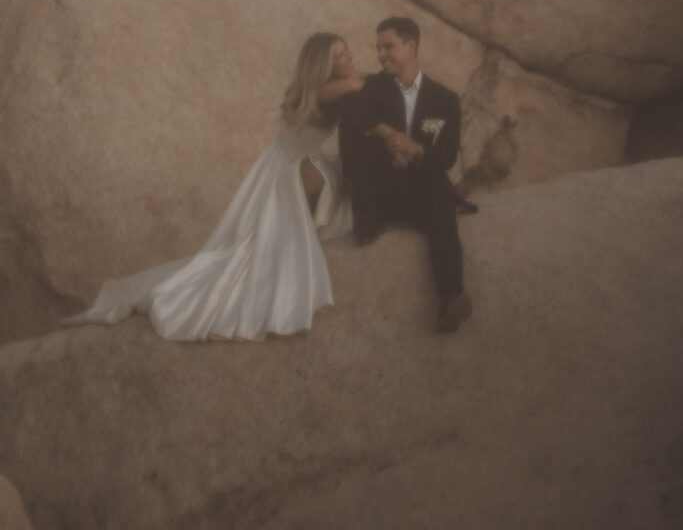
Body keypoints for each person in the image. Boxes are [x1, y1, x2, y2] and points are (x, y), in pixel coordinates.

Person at [63, 34, 359, 342]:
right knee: (248, 250)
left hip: (281, 163)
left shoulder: (315, 89)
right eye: (339, 55)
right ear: (322, 66)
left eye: (346, 50)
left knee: (261, 233)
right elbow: (353, 86)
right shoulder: (322, 90)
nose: (349, 57)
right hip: (285, 168)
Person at [339, 17, 472, 333]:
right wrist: (387, 135)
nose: (382, 55)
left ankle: (452, 297)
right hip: (380, 189)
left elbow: (447, 155)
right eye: (378, 48)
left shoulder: (445, 99)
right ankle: (367, 217)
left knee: (441, 204)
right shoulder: (371, 87)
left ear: (411, 46)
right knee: (353, 127)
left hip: (421, 189)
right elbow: (353, 115)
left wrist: (416, 150)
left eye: (389, 47)